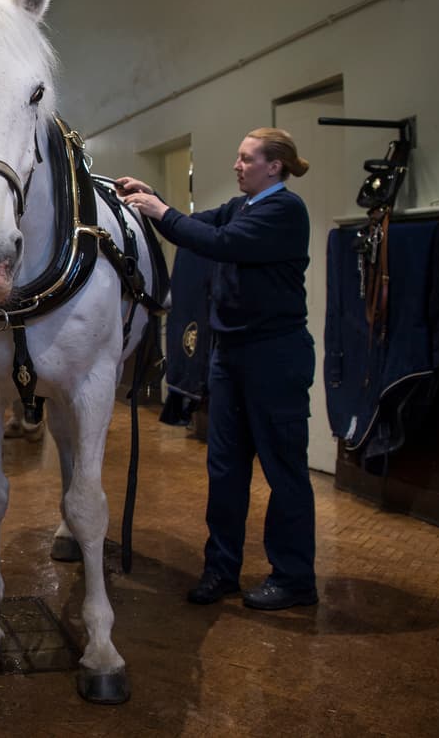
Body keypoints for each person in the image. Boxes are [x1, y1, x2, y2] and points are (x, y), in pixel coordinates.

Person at [117, 128, 317, 611]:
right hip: (230, 355)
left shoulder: (284, 210)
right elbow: (192, 226)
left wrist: (159, 210)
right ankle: (221, 570)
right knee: (224, 469)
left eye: (247, 159)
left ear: (275, 166)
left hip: (274, 356)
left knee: (283, 470)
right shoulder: (242, 206)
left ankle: (294, 578)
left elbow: (218, 242)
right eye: (238, 157)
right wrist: (149, 197)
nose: (237, 165)